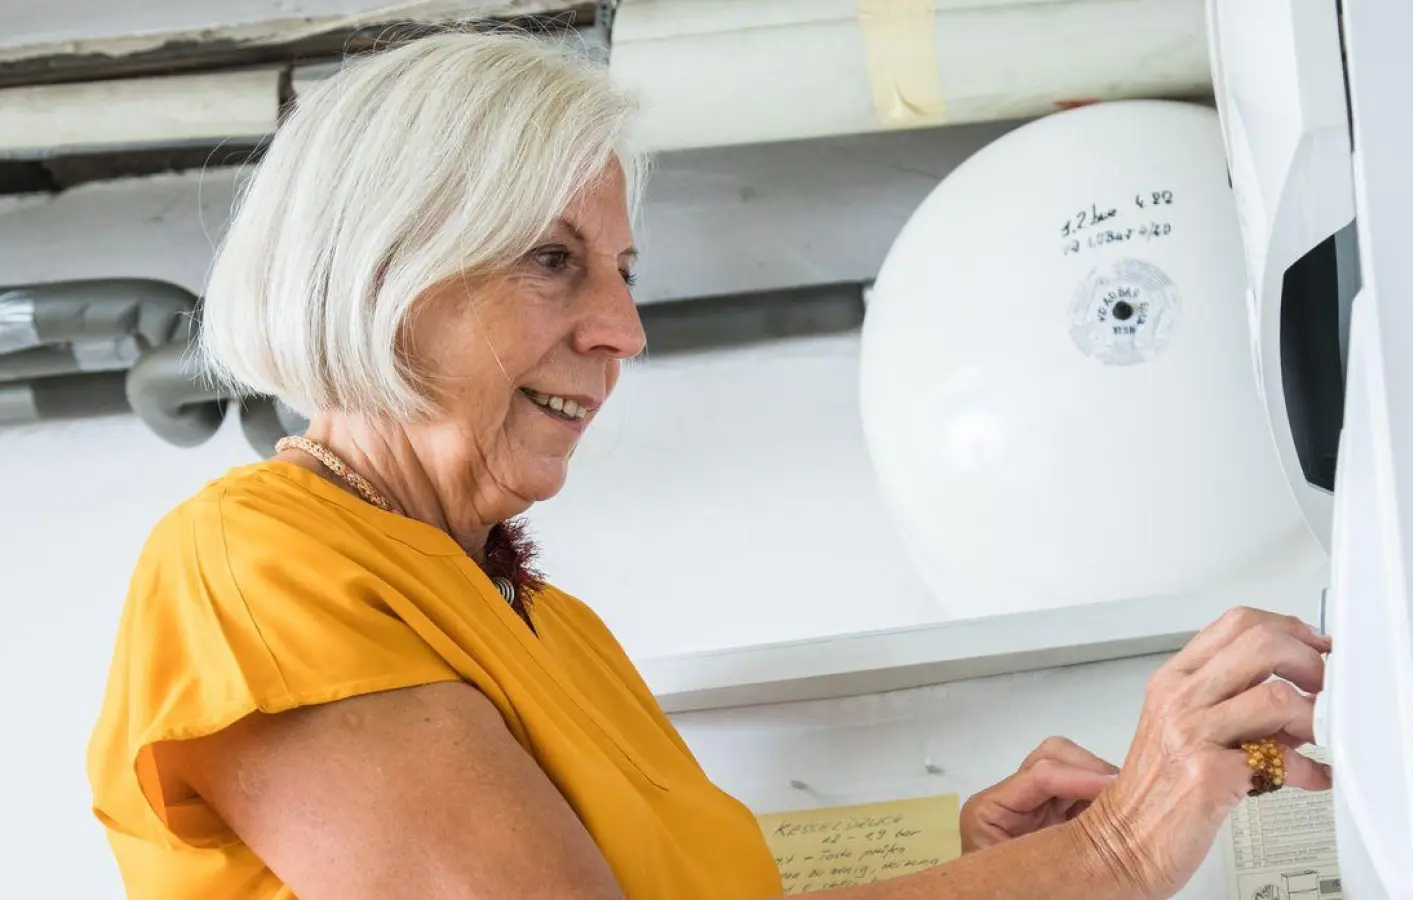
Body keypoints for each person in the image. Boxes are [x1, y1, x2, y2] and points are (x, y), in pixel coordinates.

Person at [87, 30, 1333, 900]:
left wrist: (966, 853)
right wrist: (1110, 854)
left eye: (622, 275)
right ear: (385, 278)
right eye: (552, 260)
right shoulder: (252, 570)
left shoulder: (542, 619)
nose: (622, 331)